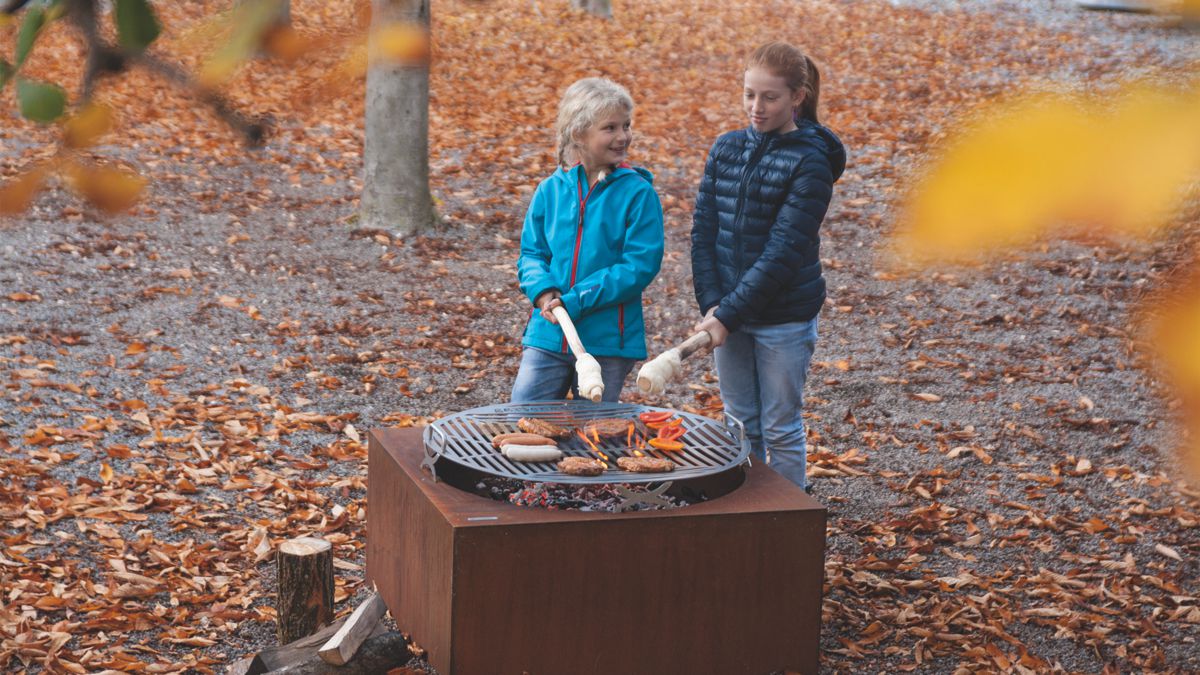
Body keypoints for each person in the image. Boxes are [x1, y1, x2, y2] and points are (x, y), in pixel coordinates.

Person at [690, 42, 846, 491]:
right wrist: (714, 305)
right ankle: (748, 516)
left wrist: (727, 315)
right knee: (739, 425)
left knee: (779, 427)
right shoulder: (726, 149)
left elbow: (784, 249)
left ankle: (788, 525)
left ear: (797, 97)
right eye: (748, 95)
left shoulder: (810, 162)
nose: (756, 108)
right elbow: (703, 232)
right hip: (728, 314)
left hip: (783, 318)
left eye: (770, 97)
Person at [511, 78, 665, 403]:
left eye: (626, 125)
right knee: (523, 419)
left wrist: (577, 299)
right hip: (550, 335)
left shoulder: (638, 194)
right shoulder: (550, 190)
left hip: (608, 339)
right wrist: (542, 291)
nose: (623, 136)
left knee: (593, 434)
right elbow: (532, 253)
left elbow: (639, 266)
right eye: (609, 128)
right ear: (578, 132)